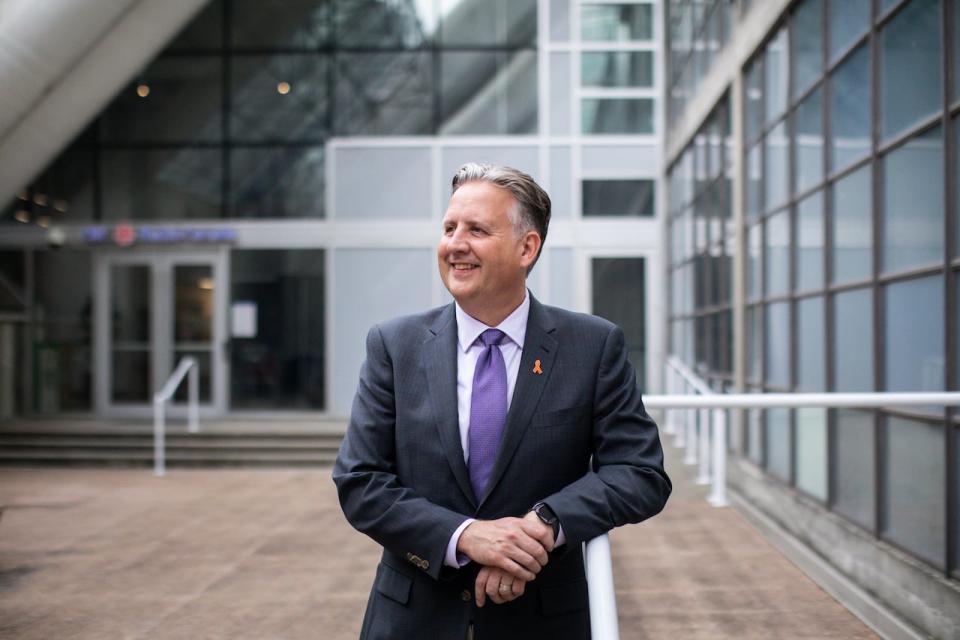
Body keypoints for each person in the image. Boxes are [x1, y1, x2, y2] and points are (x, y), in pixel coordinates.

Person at [333, 163, 671, 639]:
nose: (455, 243)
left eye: (476, 229)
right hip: (415, 622)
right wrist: (468, 538)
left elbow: (640, 473)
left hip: (542, 620)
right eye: (450, 228)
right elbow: (360, 482)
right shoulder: (394, 345)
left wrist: (540, 529)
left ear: (526, 247)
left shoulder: (591, 346)